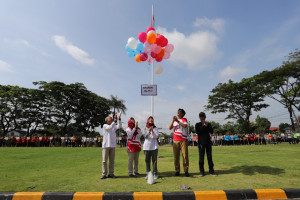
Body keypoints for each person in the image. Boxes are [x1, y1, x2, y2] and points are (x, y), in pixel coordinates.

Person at [100, 112, 122, 179]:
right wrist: (115, 121)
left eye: (111, 118)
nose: (111, 119)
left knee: (111, 161)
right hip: (106, 145)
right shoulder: (105, 125)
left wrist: (119, 118)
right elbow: (109, 127)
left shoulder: (113, 126)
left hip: (112, 145)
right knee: (104, 161)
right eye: (110, 118)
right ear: (107, 120)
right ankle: (104, 173)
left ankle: (111, 173)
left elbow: (120, 126)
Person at [169, 108, 189, 177]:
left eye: (180, 112)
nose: (178, 113)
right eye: (178, 112)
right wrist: (173, 121)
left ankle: (186, 171)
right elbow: (170, 128)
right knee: (176, 156)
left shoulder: (184, 119)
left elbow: (185, 126)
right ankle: (177, 171)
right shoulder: (174, 121)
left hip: (183, 140)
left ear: (182, 114)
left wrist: (177, 120)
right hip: (176, 140)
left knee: (185, 156)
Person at [195, 112, 217, 177]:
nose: (202, 118)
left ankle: (211, 171)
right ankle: (201, 171)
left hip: (208, 142)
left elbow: (211, 132)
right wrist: (202, 125)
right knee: (201, 157)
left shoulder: (208, 124)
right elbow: (198, 132)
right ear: (199, 117)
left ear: (205, 117)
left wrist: (207, 126)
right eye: (201, 116)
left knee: (209, 157)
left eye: (203, 116)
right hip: (201, 143)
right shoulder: (197, 124)